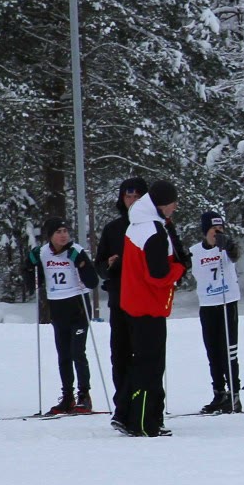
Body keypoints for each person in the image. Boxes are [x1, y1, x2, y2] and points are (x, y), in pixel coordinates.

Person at [119, 179, 188, 435]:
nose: (175, 207)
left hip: (134, 304)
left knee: (140, 363)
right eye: (172, 203)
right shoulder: (155, 231)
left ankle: (131, 417)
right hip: (149, 306)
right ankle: (145, 423)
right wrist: (180, 268)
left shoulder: (136, 224)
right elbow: (158, 275)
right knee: (151, 366)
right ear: (162, 204)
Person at [28, 217, 98, 414]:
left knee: (78, 352)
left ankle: (84, 395)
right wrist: (29, 266)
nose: (63, 235)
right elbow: (31, 276)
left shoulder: (76, 251)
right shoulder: (42, 253)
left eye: (65, 231)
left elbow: (92, 282)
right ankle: (67, 396)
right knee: (64, 354)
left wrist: (82, 264)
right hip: (58, 307)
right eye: (58, 232)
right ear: (50, 236)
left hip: (78, 306)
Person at [96, 176, 148, 431]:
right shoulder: (113, 229)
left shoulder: (153, 226)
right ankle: (122, 408)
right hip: (119, 301)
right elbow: (99, 266)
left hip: (144, 302)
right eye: (128, 196)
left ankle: (140, 407)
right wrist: (109, 266)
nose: (133, 201)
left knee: (143, 355)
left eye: (137, 196)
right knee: (119, 355)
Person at [190, 212, 242, 414]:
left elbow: (235, 254)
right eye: (213, 229)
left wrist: (227, 245)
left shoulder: (226, 248)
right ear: (205, 231)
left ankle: (234, 394)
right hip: (208, 304)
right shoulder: (195, 251)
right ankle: (219, 392)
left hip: (227, 303)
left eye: (220, 229)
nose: (217, 233)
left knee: (229, 351)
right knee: (212, 350)